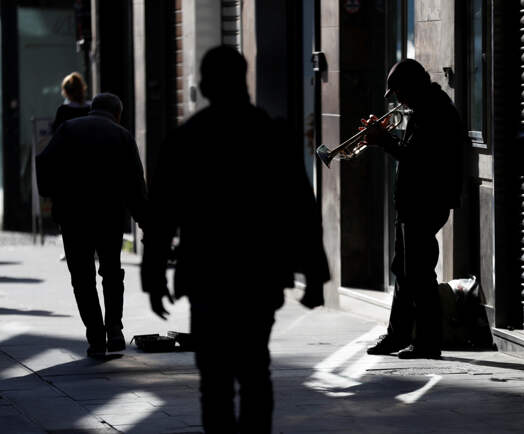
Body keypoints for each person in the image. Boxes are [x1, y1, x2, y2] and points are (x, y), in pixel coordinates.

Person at [141, 46, 329, 433]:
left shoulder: (186, 139)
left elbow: (161, 217)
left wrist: (154, 276)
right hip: (258, 274)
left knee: (215, 382)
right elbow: (301, 209)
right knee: (255, 370)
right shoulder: (272, 134)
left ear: (207, 84)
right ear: (243, 79)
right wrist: (313, 274)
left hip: (207, 276)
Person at [363, 59, 466, 359]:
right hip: (411, 203)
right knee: (405, 272)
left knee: (419, 274)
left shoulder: (435, 111)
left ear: (412, 86)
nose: (397, 100)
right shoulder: (424, 107)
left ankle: (428, 343)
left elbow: (419, 160)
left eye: (399, 92)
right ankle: (398, 335)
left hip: (424, 203)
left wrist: (384, 140)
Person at [36, 93, 147, 358]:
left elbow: (45, 164)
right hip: (108, 216)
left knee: (82, 280)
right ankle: (115, 330)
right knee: (111, 273)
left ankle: (96, 337)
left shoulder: (67, 129)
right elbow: (135, 188)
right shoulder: (122, 135)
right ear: (117, 113)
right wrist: (147, 224)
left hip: (73, 217)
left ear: (92, 109)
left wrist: (54, 197)